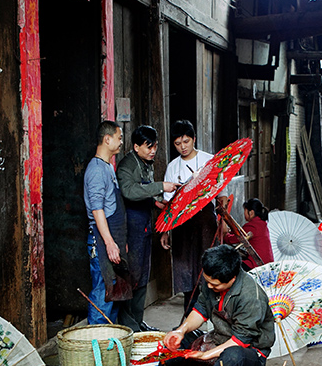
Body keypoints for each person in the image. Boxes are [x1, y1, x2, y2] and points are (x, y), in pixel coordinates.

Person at [157, 244, 276, 366]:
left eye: (215, 285)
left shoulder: (251, 296)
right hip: (219, 338)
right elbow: (201, 310)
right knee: (175, 339)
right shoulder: (210, 279)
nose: (209, 287)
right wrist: (181, 330)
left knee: (233, 357)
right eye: (207, 281)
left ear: (232, 279)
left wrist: (205, 355)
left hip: (249, 351)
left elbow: (241, 340)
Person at [116, 125, 181, 332]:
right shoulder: (127, 165)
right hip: (131, 229)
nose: (153, 150)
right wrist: (161, 187)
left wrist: (155, 203)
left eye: (155, 146)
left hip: (144, 227)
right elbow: (129, 191)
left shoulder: (146, 163)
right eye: (148, 146)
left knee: (142, 276)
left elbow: (143, 192)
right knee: (131, 277)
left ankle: (137, 321)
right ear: (136, 147)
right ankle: (128, 325)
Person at [159, 120, 224, 312]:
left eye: (186, 142)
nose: (183, 147)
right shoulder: (173, 166)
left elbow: (221, 192)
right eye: (178, 144)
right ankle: (190, 312)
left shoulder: (208, 160)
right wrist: (165, 231)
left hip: (205, 221)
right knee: (185, 269)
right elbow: (168, 203)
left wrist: (222, 221)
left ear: (194, 139)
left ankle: (211, 311)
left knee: (208, 265)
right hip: (182, 224)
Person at [83, 120, 132, 325]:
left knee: (113, 292)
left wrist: (120, 242)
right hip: (102, 241)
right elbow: (97, 210)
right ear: (107, 139)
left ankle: (109, 344)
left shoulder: (107, 167)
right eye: (119, 138)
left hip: (112, 239)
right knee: (103, 291)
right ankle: (95, 343)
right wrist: (110, 243)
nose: (121, 142)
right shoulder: (95, 170)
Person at [223, 198, 274, 271]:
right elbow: (238, 233)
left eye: (245, 211)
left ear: (251, 213)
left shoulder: (252, 226)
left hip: (256, 264)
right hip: (268, 264)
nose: (244, 214)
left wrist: (225, 233)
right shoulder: (262, 224)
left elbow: (231, 240)